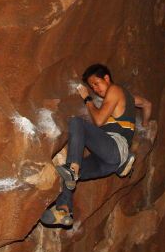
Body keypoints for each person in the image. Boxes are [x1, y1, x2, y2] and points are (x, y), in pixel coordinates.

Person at [40, 63, 152, 228]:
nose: (95, 89)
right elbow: (147, 104)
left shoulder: (114, 89)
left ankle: (75, 169)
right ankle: (64, 209)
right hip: (107, 163)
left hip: (114, 148)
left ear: (106, 78)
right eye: (91, 87)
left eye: (96, 83)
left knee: (77, 123)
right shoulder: (129, 97)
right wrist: (145, 122)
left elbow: (99, 120)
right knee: (66, 173)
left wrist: (87, 99)